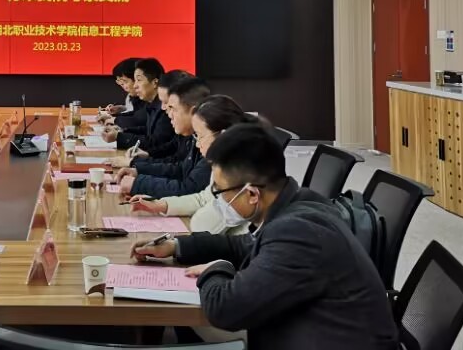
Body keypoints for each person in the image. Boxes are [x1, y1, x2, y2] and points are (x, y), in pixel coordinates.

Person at [132, 123, 398, 350]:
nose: (218, 200)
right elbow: (244, 246)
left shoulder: (298, 232)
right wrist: (176, 245)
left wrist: (216, 268)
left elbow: (225, 310)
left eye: (220, 192)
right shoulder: (300, 203)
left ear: (251, 194)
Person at [128, 95, 260, 235]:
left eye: (200, 136)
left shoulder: (242, 173)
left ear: (223, 136)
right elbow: (204, 198)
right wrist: (162, 205)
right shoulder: (225, 162)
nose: (197, 144)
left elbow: (201, 226)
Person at [116, 76, 212, 198]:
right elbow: (180, 169)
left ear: (193, 112)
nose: (166, 111)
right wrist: (138, 170)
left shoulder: (212, 140)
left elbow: (191, 188)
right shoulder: (195, 135)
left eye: (171, 107)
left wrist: (139, 183)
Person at [102, 58, 174, 151]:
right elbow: (147, 130)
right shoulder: (152, 104)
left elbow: (156, 142)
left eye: (139, 80)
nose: (135, 86)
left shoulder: (165, 107)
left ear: (155, 82)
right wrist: (122, 131)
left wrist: (119, 136)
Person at [102, 58, 145, 130]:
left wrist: (115, 120)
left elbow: (139, 121)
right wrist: (114, 118)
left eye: (125, 81)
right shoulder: (136, 98)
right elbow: (137, 116)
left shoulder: (158, 101)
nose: (123, 86)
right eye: (119, 82)